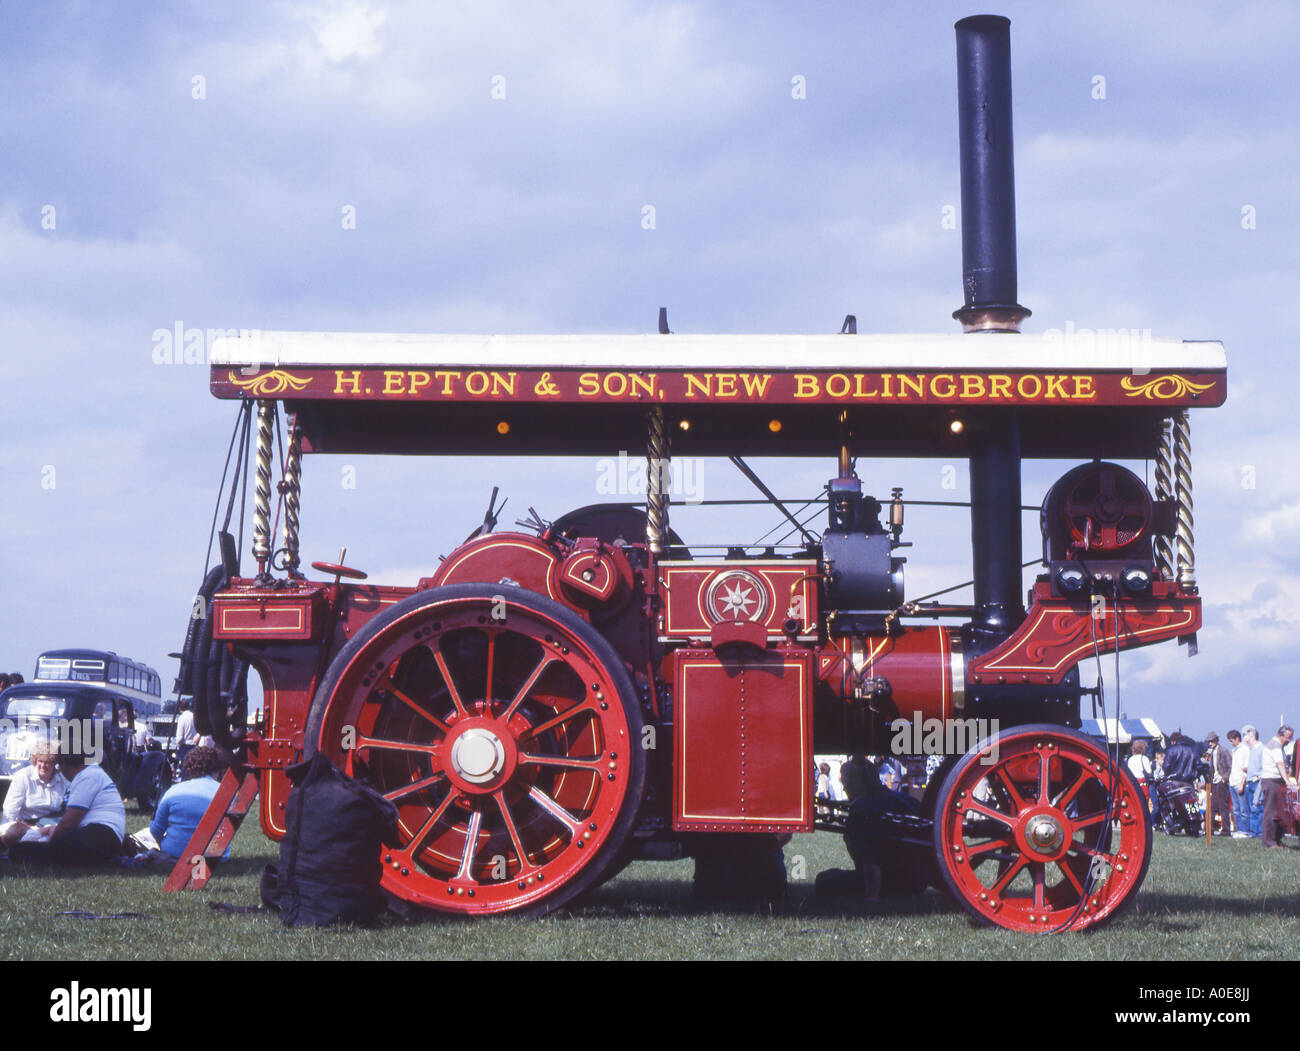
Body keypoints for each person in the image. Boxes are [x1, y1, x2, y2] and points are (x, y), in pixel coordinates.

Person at [8, 746, 125, 865]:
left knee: (21, 850)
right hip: (104, 835)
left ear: (63, 764)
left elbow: (70, 821)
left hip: (100, 834)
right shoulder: (92, 773)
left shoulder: (87, 776)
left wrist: (52, 841)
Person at [147, 746, 230, 864]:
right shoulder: (227, 793)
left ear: (188, 769)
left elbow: (156, 830)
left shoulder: (173, 791)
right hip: (216, 855)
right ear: (218, 769)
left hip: (175, 851)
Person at [0, 742, 70, 847]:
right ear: (35, 761)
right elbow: (10, 810)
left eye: (48, 762)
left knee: (55, 836)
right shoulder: (22, 776)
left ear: (55, 763)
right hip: (24, 826)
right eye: (40, 761)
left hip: (51, 824)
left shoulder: (64, 779)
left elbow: (68, 810)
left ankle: (30, 845)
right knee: (12, 832)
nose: (43, 766)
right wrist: (6, 830)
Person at [1259, 725, 1297, 849]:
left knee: (1279, 813)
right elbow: (1279, 764)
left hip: (1276, 782)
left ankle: (1276, 840)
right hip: (1272, 782)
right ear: (1280, 735)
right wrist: (1287, 780)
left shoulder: (1279, 746)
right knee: (1271, 812)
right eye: (1287, 738)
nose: (1289, 740)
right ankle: (1268, 842)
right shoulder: (1275, 746)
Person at [1206, 732, 1232, 835]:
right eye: (1209, 741)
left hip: (1221, 781)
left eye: (1211, 741)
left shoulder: (1224, 751)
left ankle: (1226, 830)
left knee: (1223, 806)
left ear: (1216, 740)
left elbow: (1230, 766)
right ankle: (1210, 829)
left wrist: (1224, 778)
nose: (1210, 743)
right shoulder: (1212, 752)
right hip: (1214, 782)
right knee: (1212, 806)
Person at [1243, 725, 1264, 838]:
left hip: (1258, 783)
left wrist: (1258, 778)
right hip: (1250, 782)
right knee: (1252, 808)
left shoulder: (1262, 749)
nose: (1244, 739)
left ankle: (1259, 833)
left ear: (1251, 735)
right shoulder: (1251, 750)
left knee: (1258, 806)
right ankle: (1253, 832)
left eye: (1245, 735)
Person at [1227, 729, 1250, 838]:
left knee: (1243, 809)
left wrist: (1242, 783)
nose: (1230, 743)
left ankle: (1245, 830)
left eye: (1231, 741)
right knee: (1236, 809)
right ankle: (1239, 829)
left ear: (1237, 739)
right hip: (1232, 782)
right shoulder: (1234, 751)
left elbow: (1246, 769)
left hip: (1240, 783)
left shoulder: (1245, 750)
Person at [1126, 739, 1153, 812]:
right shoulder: (1144, 759)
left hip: (1133, 783)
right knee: (1145, 803)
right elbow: (1149, 771)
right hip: (1143, 784)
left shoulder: (1130, 759)